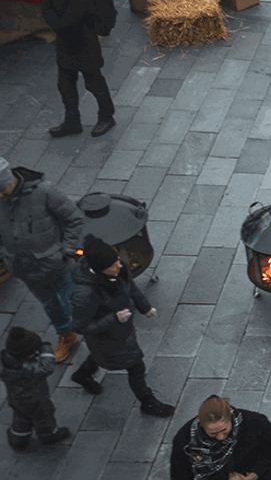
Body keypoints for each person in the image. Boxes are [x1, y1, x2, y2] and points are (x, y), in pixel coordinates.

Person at [69, 235, 174, 417]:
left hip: (121, 333)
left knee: (99, 357)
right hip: (108, 338)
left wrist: (145, 307)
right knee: (136, 367)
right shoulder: (85, 294)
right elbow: (81, 326)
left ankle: (82, 375)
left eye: (118, 261)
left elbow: (131, 288)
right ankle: (148, 403)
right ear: (99, 270)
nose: (120, 265)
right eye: (113, 266)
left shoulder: (117, 269)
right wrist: (114, 319)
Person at [0, 157, 84, 362]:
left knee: (73, 304)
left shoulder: (44, 192)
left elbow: (74, 218)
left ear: (9, 181)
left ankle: (95, 336)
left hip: (57, 264)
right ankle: (66, 336)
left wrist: (69, 251)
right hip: (24, 268)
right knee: (50, 305)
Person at [41, 0, 116, 138]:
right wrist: (56, 24)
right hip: (65, 46)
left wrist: (56, 25)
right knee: (65, 86)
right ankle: (72, 122)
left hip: (84, 46)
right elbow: (46, 8)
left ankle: (107, 116)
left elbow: (68, 23)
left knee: (94, 83)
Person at [2, 327, 70, 451]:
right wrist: (45, 347)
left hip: (15, 398)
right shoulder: (29, 369)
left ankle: (17, 440)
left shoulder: (5, 361)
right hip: (36, 399)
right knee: (44, 418)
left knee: (21, 418)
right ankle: (49, 435)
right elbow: (47, 367)